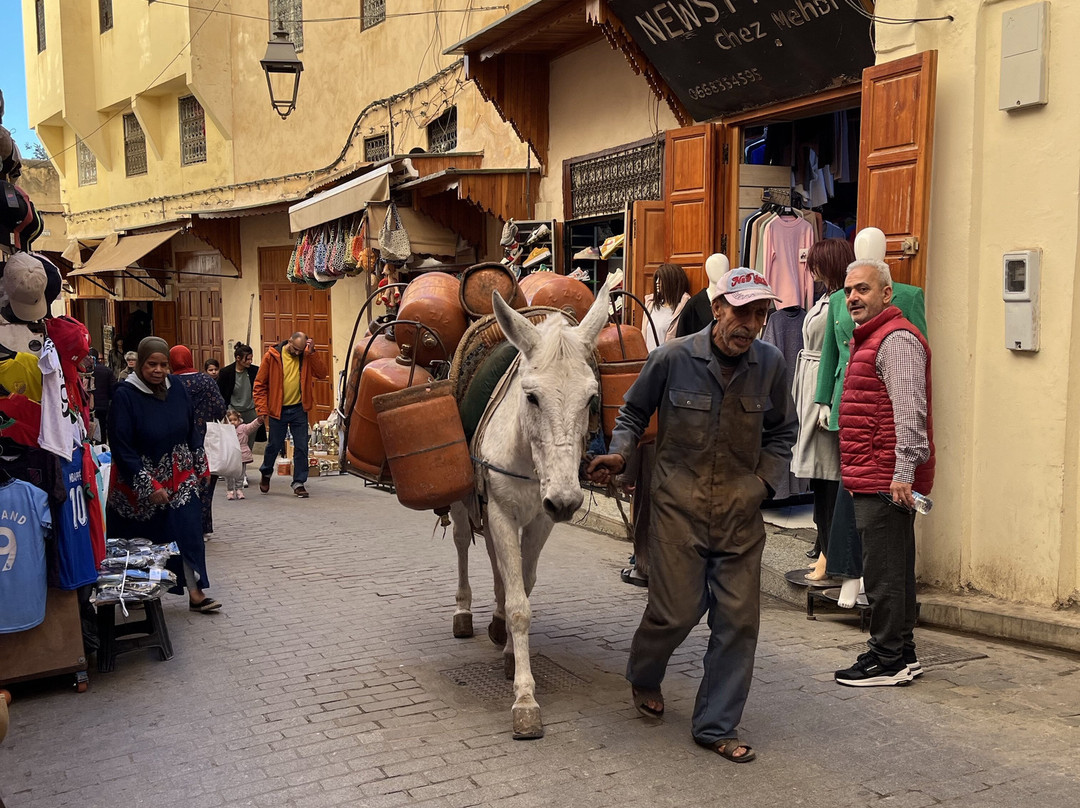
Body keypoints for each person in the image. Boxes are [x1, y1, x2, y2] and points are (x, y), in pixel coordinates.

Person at [587, 268, 797, 763]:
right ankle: (643, 672)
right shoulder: (671, 357)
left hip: (739, 513)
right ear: (718, 307)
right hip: (677, 507)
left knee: (739, 623)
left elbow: (782, 431)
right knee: (676, 612)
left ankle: (716, 725)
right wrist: (620, 453)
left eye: (760, 313)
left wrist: (761, 483)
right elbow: (634, 412)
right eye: (741, 311)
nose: (750, 323)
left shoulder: (770, 364)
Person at [833, 260, 933, 687]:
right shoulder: (873, 338)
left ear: (887, 294)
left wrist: (903, 472)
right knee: (894, 567)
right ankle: (903, 652)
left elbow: (911, 412)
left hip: (886, 477)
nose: (853, 297)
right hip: (876, 472)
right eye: (848, 290)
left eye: (863, 289)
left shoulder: (895, 340)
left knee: (883, 570)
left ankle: (886, 658)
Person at [106, 337, 221, 613]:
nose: (158, 370)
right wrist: (149, 485)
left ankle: (196, 592)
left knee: (188, 532)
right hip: (141, 483)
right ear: (140, 365)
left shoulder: (177, 388)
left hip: (180, 477)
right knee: (143, 541)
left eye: (163, 365)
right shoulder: (125, 395)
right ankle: (136, 594)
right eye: (151, 364)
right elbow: (122, 447)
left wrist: (200, 463)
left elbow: (191, 428)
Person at [620, 263, 692, 587]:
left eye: (664, 281)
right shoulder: (649, 304)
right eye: (656, 281)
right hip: (647, 384)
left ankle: (651, 560)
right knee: (641, 479)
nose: (658, 286)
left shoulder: (685, 307)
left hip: (669, 393)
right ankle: (642, 556)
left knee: (655, 481)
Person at [790, 239, 854, 578]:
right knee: (818, 475)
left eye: (816, 265)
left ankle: (831, 552)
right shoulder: (827, 299)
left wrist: (827, 399)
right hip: (810, 383)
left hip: (822, 387)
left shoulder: (840, 304)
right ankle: (824, 546)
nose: (811, 272)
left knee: (828, 473)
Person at [253, 332, 328, 498]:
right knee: (273, 445)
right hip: (277, 410)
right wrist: (262, 410)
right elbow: (259, 385)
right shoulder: (272, 357)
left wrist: (313, 352)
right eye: (295, 349)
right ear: (289, 341)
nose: (297, 353)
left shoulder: (306, 356)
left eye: (300, 350)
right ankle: (266, 473)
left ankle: (299, 482)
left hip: (299, 409)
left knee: (301, 446)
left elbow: (322, 374)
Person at [169, 344, 226, 536]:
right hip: (206, 441)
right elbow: (220, 408)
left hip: (178, 442)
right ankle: (203, 527)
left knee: (180, 484)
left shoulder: (169, 382)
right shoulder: (206, 380)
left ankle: (183, 526)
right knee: (205, 485)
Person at [641, 263, 691, 351]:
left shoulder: (683, 309)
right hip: (648, 361)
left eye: (661, 279)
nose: (657, 282)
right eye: (657, 279)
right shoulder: (650, 305)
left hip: (668, 362)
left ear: (672, 281)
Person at [217, 343, 259, 427]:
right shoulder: (226, 373)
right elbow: (221, 393)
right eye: (247, 359)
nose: (250, 362)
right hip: (233, 412)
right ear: (238, 358)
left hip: (251, 411)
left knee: (250, 438)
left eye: (251, 359)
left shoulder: (255, 371)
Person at [224, 409, 259, 501]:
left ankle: (239, 489)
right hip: (230, 456)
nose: (232, 422)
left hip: (241, 455)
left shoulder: (243, 428)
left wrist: (259, 420)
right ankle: (230, 490)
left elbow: (252, 426)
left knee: (240, 474)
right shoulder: (224, 430)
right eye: (230, 420)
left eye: (235, 420)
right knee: (229, 475)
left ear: (239, 420)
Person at [88, 347, 116, 444]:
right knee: (102, 427)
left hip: (88, 405)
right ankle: (102, 446)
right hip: (103, 405)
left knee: (88, 427)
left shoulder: (85, 370)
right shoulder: (107, 371)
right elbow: (112, 389)